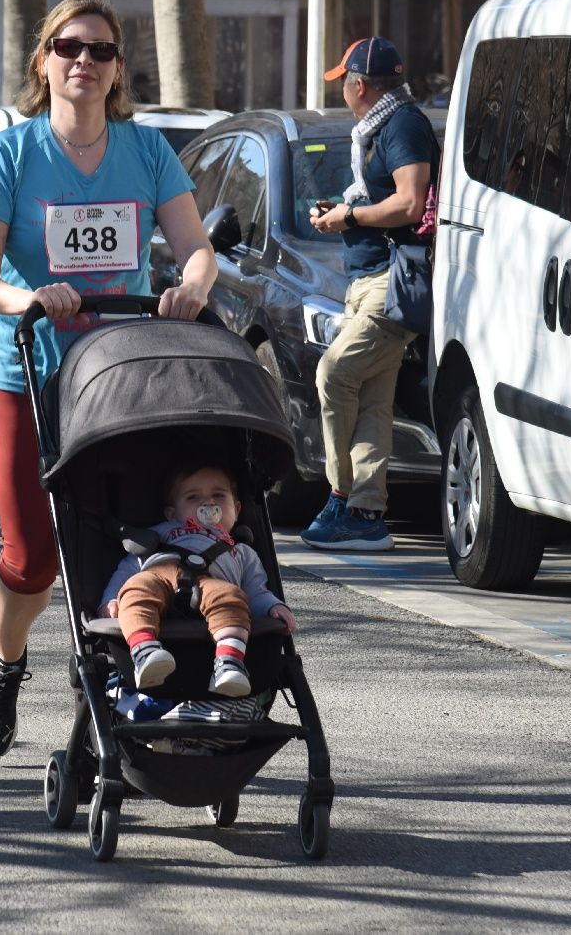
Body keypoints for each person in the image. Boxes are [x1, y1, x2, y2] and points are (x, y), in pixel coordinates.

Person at [0, 0, 217, 758]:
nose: (84, 61)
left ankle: (104, 671)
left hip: (117, 377)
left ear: (116, 70)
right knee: (34, 554)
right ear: (44, 61)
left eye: (100, 50)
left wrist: (193, 287)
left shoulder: (145, 151)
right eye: (69, 47)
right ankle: (4, 663)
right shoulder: (10, 153)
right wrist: (25, 297)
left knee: (120, 539)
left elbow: (196, 248)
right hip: (24, 370)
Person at [301, 37, 436, 552]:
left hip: (392, 282)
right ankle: (367, 514)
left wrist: (349, 216)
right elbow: (386, 198)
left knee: (333, 373)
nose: (343, 94)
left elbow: (408, 202)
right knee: (374, 401)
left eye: (344, 84)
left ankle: (340, 496)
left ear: (360, 86)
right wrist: (339, 212)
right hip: (369, 281)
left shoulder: (402, 125)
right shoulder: (384, 126)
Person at [100, 462, 297, 697]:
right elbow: (128, 568)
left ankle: (229, 662)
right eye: (193, 497)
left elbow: (256, 590)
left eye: (218, 495)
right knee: (135, 590)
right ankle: (145, 650)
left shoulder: (242, 551)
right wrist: (110, 599)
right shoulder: (161, 533)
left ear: (236, 509)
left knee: (234, 598)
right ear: (172, 513)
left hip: (213, 585)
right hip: (158, 576)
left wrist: (273, 605)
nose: (208, 503)